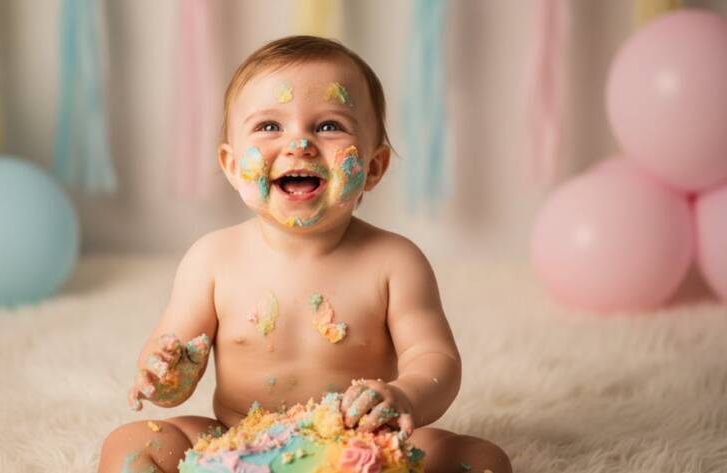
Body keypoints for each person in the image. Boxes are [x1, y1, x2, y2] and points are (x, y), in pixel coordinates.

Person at [98, 35, 512, 473]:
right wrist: (163, 373)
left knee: (479, 458)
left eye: (329, 126)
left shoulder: (395, 261)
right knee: (133, 442)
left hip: (361, 448)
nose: (300, 144)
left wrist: (404, 395)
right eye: (270, 127)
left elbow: (436, 360)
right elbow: (174, 366)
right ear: (233, 166)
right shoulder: (211, 259)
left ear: (374, 167)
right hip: (241, 445)